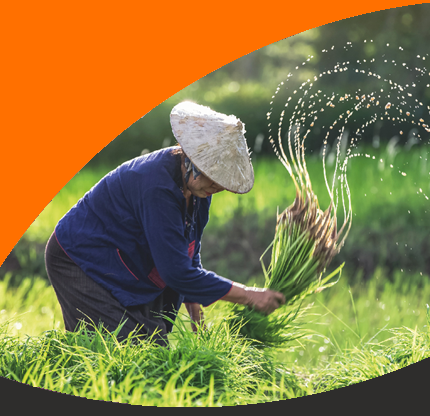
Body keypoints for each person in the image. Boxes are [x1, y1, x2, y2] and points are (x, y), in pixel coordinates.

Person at [44, 101, 285, 346]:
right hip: (81, 257)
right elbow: (177, 273)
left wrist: (196, 316)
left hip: (128, 257)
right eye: (213, 176)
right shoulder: (157, 187)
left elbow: (188, 251)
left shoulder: (198, 189)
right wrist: (249, 295)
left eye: (222, 180)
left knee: (154, 348)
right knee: (127, 353)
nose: (218, 186)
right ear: (190, 159)